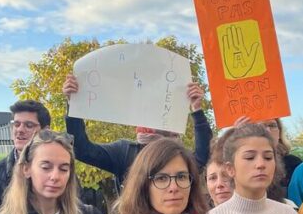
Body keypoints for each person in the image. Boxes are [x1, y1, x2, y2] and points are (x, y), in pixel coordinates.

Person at [62, 74, 211, 189]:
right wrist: (74, 104)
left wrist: (197, 110)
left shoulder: (179, 155)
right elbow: (82, 150)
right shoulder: (124, 152)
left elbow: (202, 156)